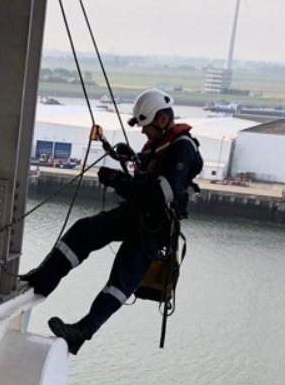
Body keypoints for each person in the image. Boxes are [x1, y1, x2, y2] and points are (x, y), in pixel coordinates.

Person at [20, 89, 203, 354]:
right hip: (136, 214)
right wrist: (128, 166)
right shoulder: (159, 145)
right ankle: (42, 281)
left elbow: (159, 195)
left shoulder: (182, 147)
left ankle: (82, 332)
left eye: (146, 126)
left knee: (122, 279)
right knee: (84, 230)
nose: (143, 133)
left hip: (153, 225)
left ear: (162, 120)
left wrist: (120, 183)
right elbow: (146, 180)